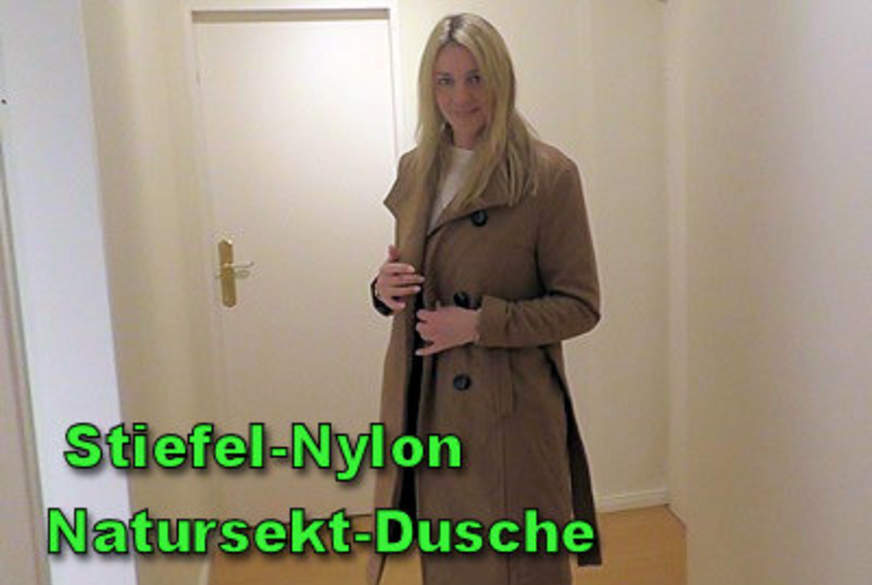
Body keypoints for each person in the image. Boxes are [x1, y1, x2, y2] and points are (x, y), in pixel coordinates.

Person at [367, 13, 602, 585]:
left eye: (475, 78)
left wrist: (478, 324)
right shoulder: (417, 169)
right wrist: (382, 288)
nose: (460, 97)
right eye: (445, 81)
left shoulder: (548, 176)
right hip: (430, 408)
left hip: (509, 413)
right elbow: (420, 274)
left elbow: (581, 305)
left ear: (501, 80)